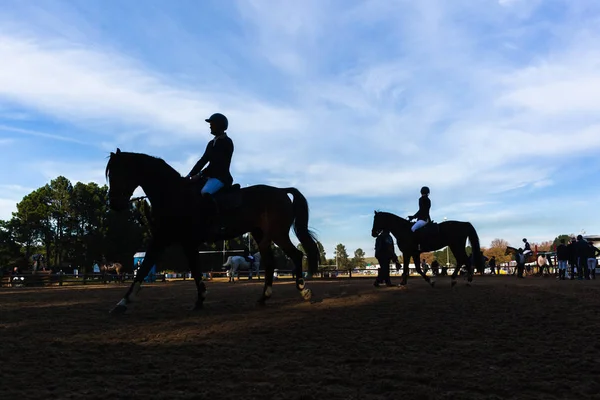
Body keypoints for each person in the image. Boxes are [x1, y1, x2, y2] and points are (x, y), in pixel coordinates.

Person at [186, 113, 234, 213]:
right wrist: (189, 175)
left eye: (212, 123)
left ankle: (215, 219)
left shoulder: (226, 142)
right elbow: (203, 160)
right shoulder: (211, 143)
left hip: (221, 178)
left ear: (219, 125)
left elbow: (217, 163)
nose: (210, 126)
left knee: (205, 192)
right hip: (210, 177)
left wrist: (200, 175)